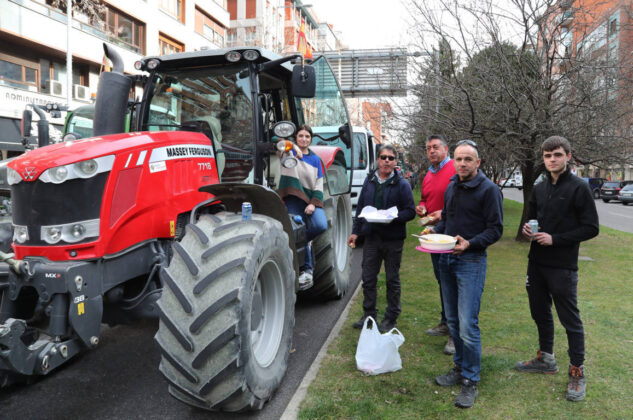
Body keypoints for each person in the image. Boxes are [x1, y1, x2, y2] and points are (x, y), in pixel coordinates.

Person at [514, 136, 599, 402]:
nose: (552, 159)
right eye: (548, 155)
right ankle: (546, 358)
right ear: (543, 158)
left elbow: (591, 227)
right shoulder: (539, 188)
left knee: (570, 320)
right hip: (536, 262)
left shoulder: (578, 188)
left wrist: (556, 239)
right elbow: (533, 217)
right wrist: (529, 228)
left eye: (557, 154)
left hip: (562, 265)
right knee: (540, 313)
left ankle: (577, 370)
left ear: (568, 156)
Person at [428, 139, 503, 408]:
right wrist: (435, 232)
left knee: (468, 324)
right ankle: (459, 368)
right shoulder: (452, 186)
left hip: (471, 261)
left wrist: (470, 243)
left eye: (467, 159)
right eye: (458, 159)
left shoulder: (489, 190)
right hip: (447, 259)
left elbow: (496, 229)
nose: (462, 164)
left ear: (478, 162)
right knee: (453, 320)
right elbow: (447, 219)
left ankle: (471, 379)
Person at [347, 145, 415, 333]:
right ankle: (369, 315)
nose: (386, 161)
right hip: (371, 238)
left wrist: (393, 217)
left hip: (393, 239)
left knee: (392, 280)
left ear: (395, 162)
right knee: (368, 279)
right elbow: (361, 207)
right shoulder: (370, 181)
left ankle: (391, 318)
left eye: (391, 158)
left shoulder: (402, 184)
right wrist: (355, 231)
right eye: (383, 157)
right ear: (377, 159)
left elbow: (410, 212)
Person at [415, 134, 457, 355]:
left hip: (452, 235)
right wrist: (421, 207)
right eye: (428, 148)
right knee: (442, 280)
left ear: (445, 148)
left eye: (435, 147)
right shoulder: (428, 174)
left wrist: (445, 212)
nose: (431, 151)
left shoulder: (454, 169)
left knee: (453, 282)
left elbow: (459, 199)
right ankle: (445, 320)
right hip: (433, 234)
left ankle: (454, 332)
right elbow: (424, 198)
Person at [277, 125, 328, 290]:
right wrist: (293, 146)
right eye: (300, 136)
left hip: (310, 200)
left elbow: (319, 184)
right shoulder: (287, 152)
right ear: (296, 137)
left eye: (307, 136)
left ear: (311, 139)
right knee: (295, 230)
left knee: (321, 225)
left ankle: (301, 243)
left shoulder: (315, 159)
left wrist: (313, 203)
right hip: (293, 199)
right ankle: (306, 269)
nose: (304, 139)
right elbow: (275, 140)